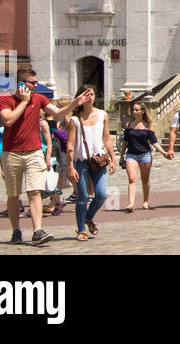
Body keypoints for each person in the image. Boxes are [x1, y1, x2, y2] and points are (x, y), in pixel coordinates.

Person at [0, 69, 91, 245]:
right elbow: (8, 120)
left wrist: (74, 104)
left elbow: (57, 113)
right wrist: (24, 102)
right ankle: (16, 231)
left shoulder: (39, 98)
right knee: (13, 195)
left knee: (35, 192)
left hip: (34, 152)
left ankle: (37, 231)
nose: (36, 85)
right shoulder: (4, 99)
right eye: (32, 83)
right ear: (21, 84)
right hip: (11, 153)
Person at [67, 84, 116, 241]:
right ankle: (81, 229)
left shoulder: (103, 115)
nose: (90, 97)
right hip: (80, 162)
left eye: (92, 94)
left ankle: (88, 217)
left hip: (99, 160)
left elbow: (106, 138)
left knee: (101, 194)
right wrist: (70, 166)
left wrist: (113, 158)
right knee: (82, 196)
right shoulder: (74, 120)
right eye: (86, 95)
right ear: (80, 97)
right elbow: (70, 145)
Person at [120, 101, 171, 211]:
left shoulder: (148, 125)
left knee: (145, 179)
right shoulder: (129, 125)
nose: (134, 112)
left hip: (145, 155)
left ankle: (145, 201)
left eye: (137, 110)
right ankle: (131, 204)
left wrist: (163, 153)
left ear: (143, 111)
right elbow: (125, 142)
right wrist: (121, 156)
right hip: (131, 155)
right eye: (133, 110)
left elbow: (154, 142)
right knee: (132, 179)